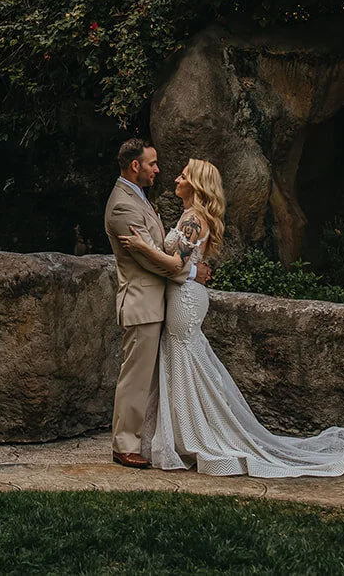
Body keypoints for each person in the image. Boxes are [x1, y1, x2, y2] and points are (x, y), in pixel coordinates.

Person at [119, 158, 344, 478]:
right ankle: (185, 435)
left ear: (195, 184)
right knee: (183, 362)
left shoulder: (194, 220)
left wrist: (142, 247)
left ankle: (201, 436)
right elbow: (181, 265)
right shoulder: (189, 216)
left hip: (185, 300)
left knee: (186, 363)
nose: (176, 179)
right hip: (182, 296)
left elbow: (175, 267)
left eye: (183, 176)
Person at [102, 139, 211, 469]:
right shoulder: (122, 205)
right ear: (136, 166)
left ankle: (154, 439)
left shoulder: (138, 198)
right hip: (141, 301)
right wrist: (192, 270)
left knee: (150, 378)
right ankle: (124, 445)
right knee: (135, 377)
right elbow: (153, 260)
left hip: (157, 302)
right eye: (152, 164)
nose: (158, 169)